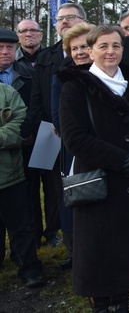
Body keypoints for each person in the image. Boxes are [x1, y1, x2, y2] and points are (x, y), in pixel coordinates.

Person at [57, 25, 129, 313]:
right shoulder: (75, 87)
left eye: (116, 45)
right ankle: (103, 306)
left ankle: (124, 304)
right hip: (101, 185)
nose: (110, 52)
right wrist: (120, 160)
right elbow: (75, 138)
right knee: (102, 262)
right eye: (102, 46)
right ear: (90, 52)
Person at [27, 3, 87, 248]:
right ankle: (58, 235)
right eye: (60, 18)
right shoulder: (46, 56)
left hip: (80, 135)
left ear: (83, 21)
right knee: (54, 187)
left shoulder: (93, 54)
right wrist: (48, 125)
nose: (64, 22)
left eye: (70, 17)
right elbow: (38, 96)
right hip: (50, 132)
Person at [50, 22, 95, 270]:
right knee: (81, 200)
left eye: (85, 46)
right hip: (76, 149)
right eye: (74, 48)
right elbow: (58, 118)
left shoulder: (108, 72)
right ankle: (78, 255)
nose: (80, 52)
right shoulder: (61, 78)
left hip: (108, 149)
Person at [0, 77, 45, 289]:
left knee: (21, 226)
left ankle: (30, 268)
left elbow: (21, 123)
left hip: (8, 176)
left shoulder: (7, 93)